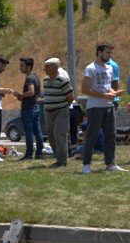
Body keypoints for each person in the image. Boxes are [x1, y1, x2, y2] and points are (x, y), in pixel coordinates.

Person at [81, 42, 126, 173]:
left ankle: (110, 164)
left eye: (110, 53)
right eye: (107, 52)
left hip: (109, 106)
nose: (109, 55)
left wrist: (114, 93)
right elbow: (85, 89)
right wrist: (104, 95)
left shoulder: (110, 68)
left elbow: (108, 87)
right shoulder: (91, 68)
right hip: (95, 107)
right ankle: (86, 165)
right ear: (99, 53)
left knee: (111, 135)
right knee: (92, 136)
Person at [42, 58, 74, 168]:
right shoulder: (45, 80)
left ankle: (62, 161)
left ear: (55, 68)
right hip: (48, 112)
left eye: (47, 66)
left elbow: (70, 96)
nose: (44, 69)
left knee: (59, 135)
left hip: (60, 111)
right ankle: (58, 158)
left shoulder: (62, 80)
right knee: (51, 137)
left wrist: (63, 106)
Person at [13, 57, 44, 160]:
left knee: (29, 132)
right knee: (38, 132)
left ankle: (29, 154)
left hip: (28, 109)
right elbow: (38, 93)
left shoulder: (29, 78)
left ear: (29, 66)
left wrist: (20, 95)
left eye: (22, 66)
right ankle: (39, 153)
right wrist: (23, 97)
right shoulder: (35, 76)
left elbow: (31, 92)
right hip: (35, 107)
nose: (20, 68)